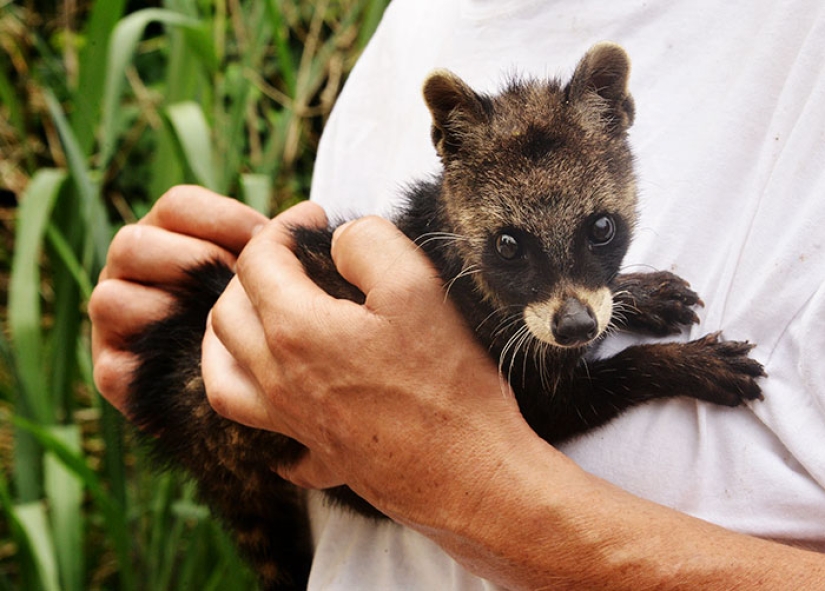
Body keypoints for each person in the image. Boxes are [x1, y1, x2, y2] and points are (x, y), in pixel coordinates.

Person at [90, 0, 825, 588]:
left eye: (597, 234)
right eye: (513, 251)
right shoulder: (408, 24)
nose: (572, 303)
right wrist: (224, 358)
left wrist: (472, 487)